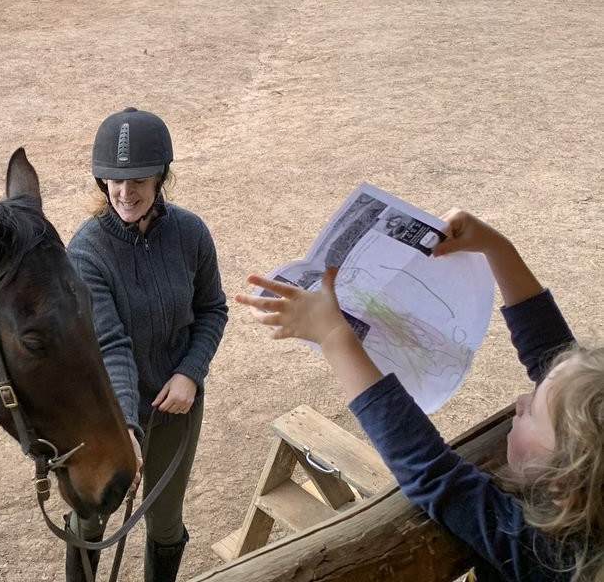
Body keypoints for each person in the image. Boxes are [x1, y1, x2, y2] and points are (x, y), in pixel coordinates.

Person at [237, 209, 604, 582]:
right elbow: (555, 359)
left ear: (563, 485)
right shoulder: (587, 500)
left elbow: (431, 472)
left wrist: (334, 337)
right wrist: (497, 249)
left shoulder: (548, 558)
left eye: (532, 413)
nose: (521, 403)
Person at [65, 108, 229, 582]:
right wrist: (127, 429)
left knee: (164, 522)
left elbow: (212, 309)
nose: (125, 192)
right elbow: (111, 344)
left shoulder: (191, 233)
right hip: (107, 412)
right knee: (92, 514)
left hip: (175, 404)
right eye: (114, 179)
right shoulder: (86, 251)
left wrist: (190, 373)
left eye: (138, 179)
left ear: (162, 177)